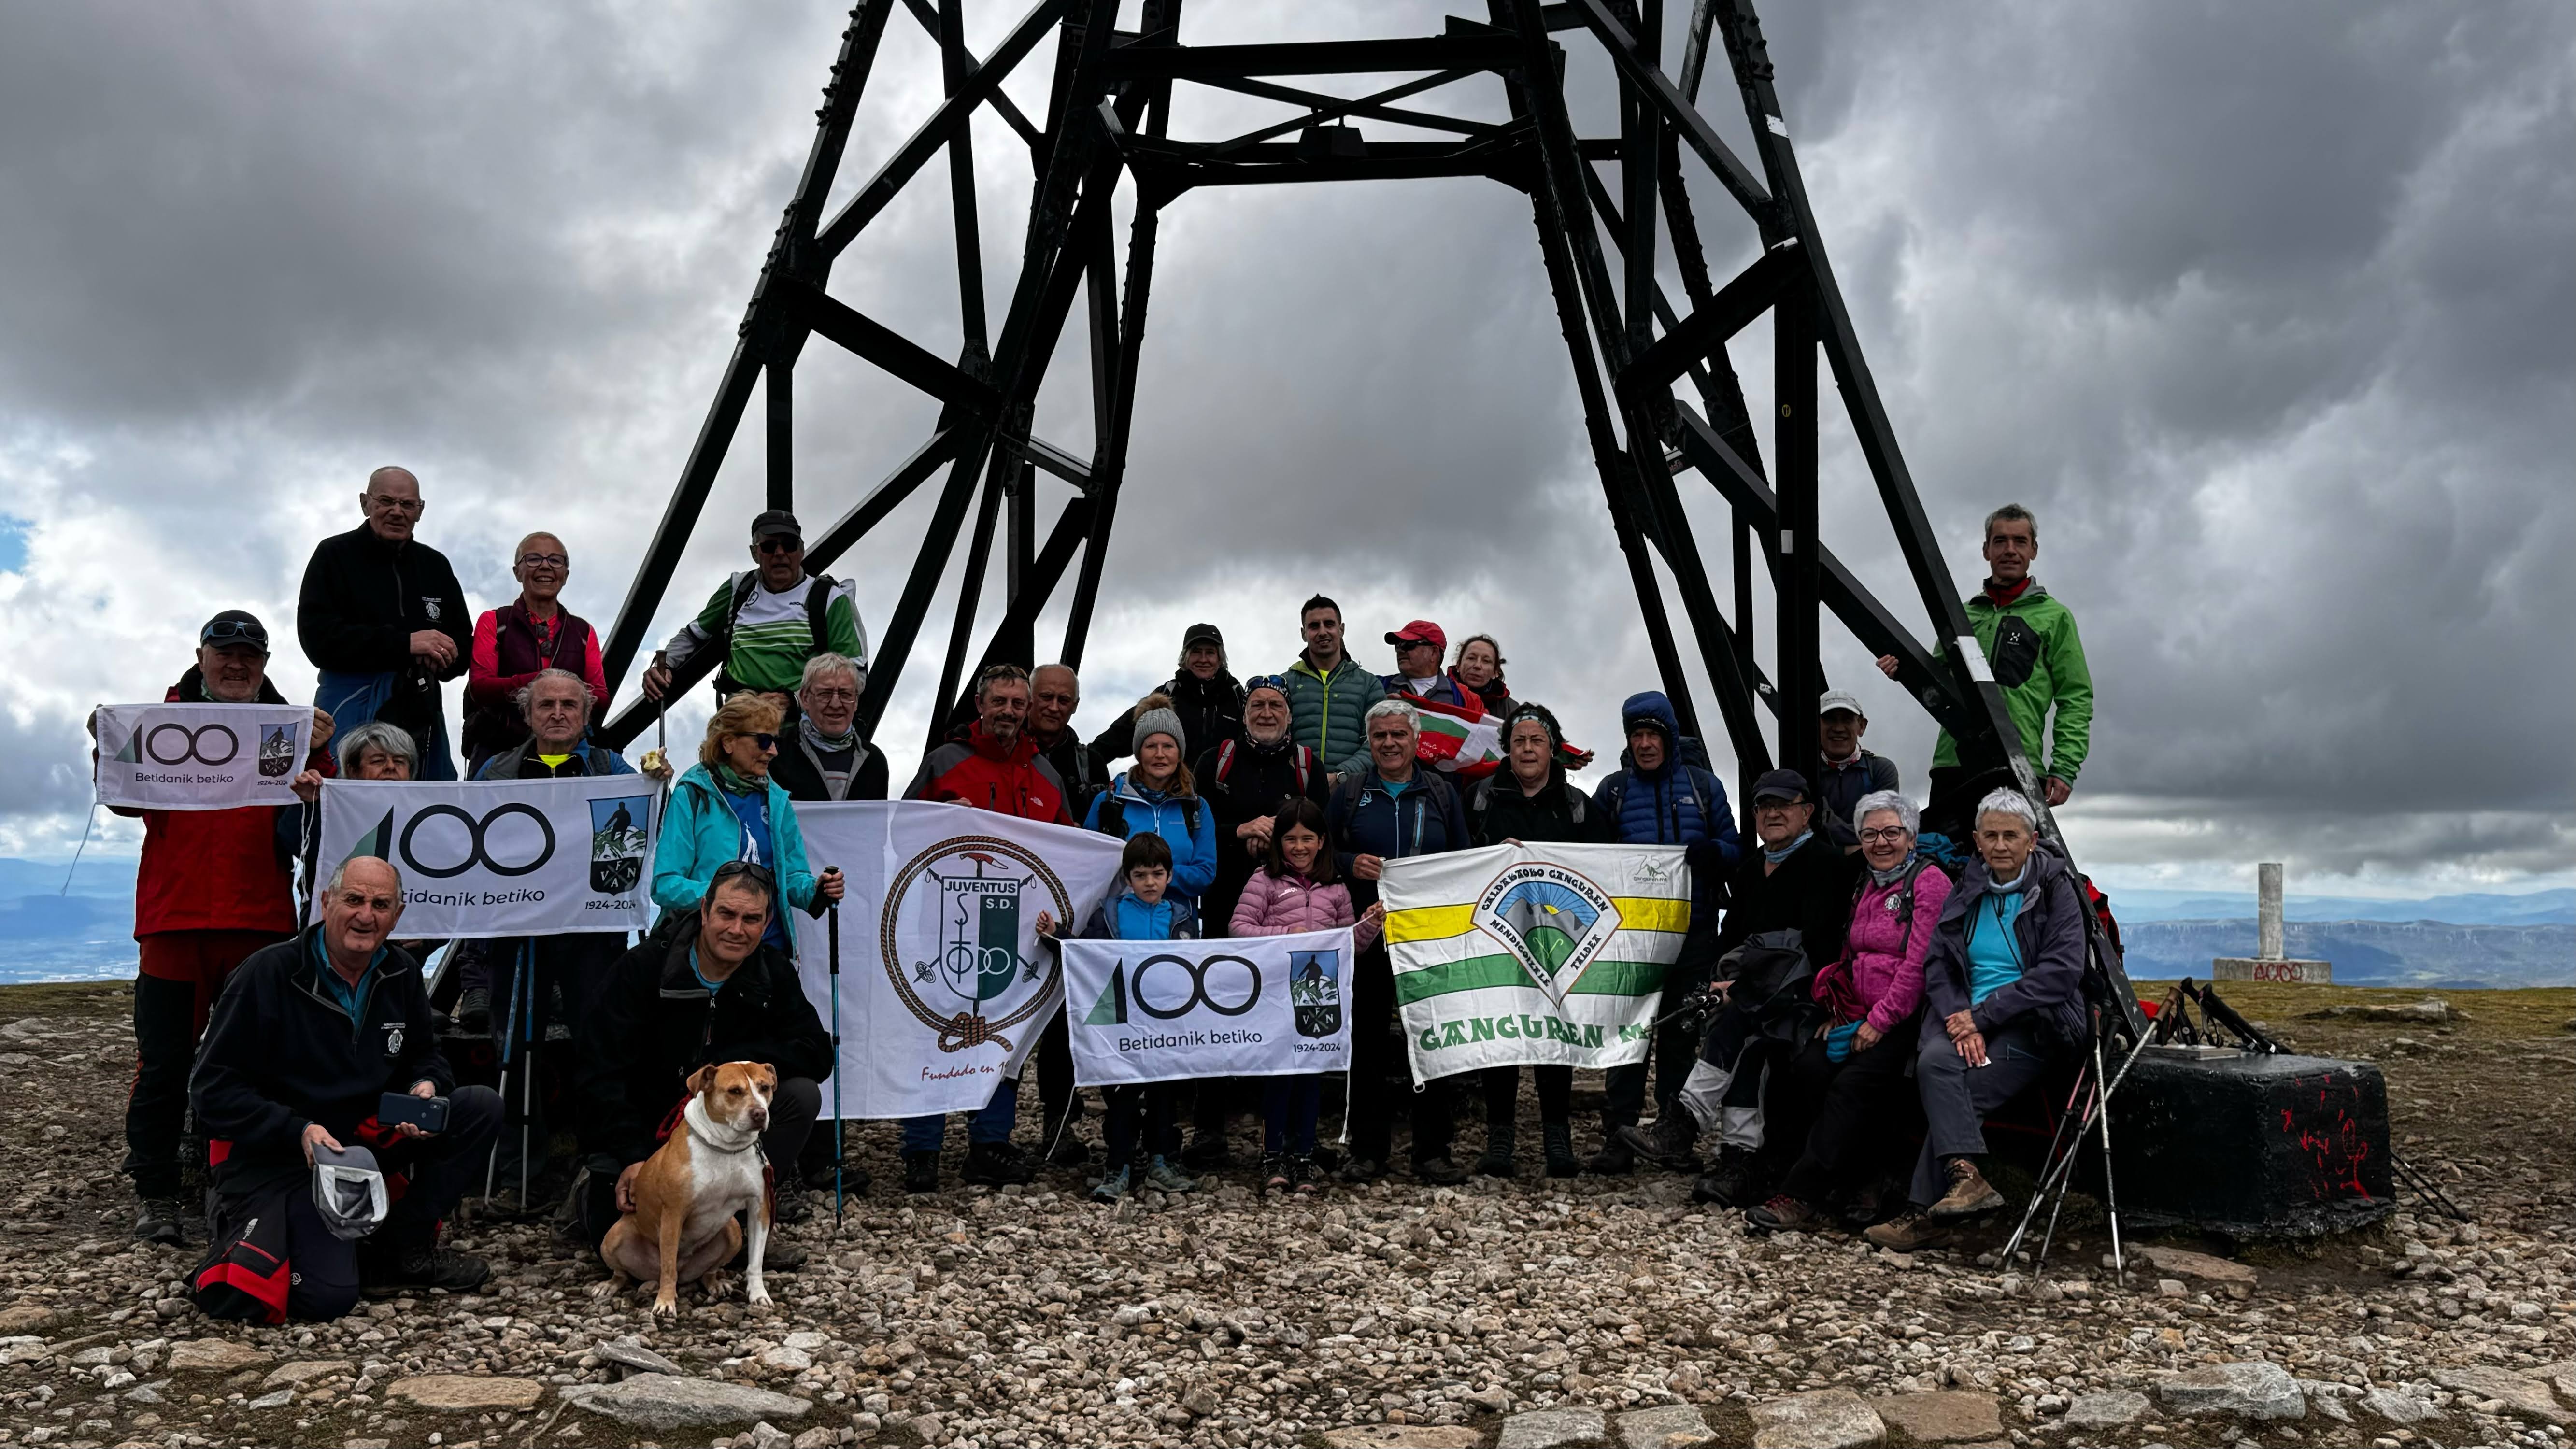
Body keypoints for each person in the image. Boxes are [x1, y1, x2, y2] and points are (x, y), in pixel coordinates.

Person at [103, 610, 334, 1246]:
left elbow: (328, 809)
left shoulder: (289, 727)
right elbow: (123, 797)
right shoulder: (162, 721)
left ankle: (232, 1177)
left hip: (257, 921)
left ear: (264, 663)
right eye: (225, 653)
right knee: (164, 1063)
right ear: (202, 655)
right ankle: (155, 1189)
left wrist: (321, 756)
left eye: (249, 656)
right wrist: (108, 746)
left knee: (252, 1064)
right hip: (173, 921)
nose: (237, 665)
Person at [191, 857, 500, 1312]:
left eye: (381, 905)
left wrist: (425, 1086)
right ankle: (238, 1217)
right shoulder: (268, 973)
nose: (366, 915)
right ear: (325, 902)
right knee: (325, 1297)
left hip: (362, 1141)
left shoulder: (401, 972)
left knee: (479, 1107)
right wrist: (296, 1130)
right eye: (354, 900)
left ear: (397, 915)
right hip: (281, 1154)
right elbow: (211, 1089)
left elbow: (425, 1056)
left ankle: (401, 1250)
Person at [1620, 768, 1862, 1204]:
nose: (1773, 814)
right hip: (1752, 993)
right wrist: (1721, 980)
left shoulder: (1824, 864)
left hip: (1803, 992)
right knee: (1738, 1033)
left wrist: (1744, 986)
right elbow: (1728, 937)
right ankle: (1735, 1159)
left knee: (1741, 1033)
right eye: (1764, 806)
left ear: (1806, 812)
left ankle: (1687, 1125)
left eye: (1783, 806)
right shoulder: (1751, 871)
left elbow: (1817, 946)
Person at [1865, 790, 2092, 1251]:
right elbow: (1939, 965)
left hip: (2035, 1022)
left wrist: (1981, 1018)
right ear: (1976, 841)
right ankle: (1965, 1180)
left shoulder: (2055, 887)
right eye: (1991, 835)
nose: (2001, 845)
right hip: (1965, 1016)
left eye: (2011, 835)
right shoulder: (1967, 887)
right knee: (1934, 1061)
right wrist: (1957, 1016)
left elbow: (2060, 973)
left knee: (1959, 1090)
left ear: (2032, 841)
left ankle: (1920, 1214)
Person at [447, 671, 640, 1203]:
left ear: (587, 714)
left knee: (598, 1045)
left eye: (569, 705)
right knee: (515, 1047)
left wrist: (656, 783)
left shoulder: (611, 768)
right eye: (547, 705)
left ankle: (598, 1164)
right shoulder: (498, 770)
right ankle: (518, 1174)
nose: (558, 714)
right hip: (519, 927)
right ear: (528, 715)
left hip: (589, 929)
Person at [579, 861, 835, 1253]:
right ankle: (584, 1189)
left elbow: (817, 1054)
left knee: (801, 1095)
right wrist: (631, 1156)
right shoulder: (643, 968)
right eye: (726, 914)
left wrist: (734, 1065)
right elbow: (598, 1071)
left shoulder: (773, 971)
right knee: (617, 1245)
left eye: (751, 919)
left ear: (766, 924)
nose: (736, 929)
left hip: (727, 1129)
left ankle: (744, 1215)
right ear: (703, 912)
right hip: (648, 1128)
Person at [898, 665, 1074, 1191]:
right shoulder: (944, 763)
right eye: (998, 702)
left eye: (1017, 705)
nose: (1008, 712)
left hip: (1014, 932)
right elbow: (899, 832)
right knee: (933, 1029)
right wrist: (939, 815)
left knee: (1006, 1033)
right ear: (980, 704)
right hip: (944, 926)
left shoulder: (1045, 772)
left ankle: (988, 1145)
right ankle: (922, 1150)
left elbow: (1069, 851)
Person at [1745, 791, 1952, 1231]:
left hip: (1908, 1018)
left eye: (1891, 832)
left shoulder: (1928, 882)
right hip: (1855, 1013)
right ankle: (1862, 1177)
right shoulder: (1865, 882)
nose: (1881, 842)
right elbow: (1850, 953)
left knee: (1853, 1084)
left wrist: (1879, 1022)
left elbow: (1918, 965)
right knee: (1809, 1067)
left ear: (1911, 837)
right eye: (1870, 834)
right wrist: (1837, 1011)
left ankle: (1799, 1195)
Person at [1585, 691, 1740, 1174]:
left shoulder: (1703, 787)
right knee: (1628, 1037)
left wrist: (1713, 853)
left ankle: (1671, 1135)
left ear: (1669, 737)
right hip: (1630, 940)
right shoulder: (1611, 791)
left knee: (1680, 1037)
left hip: (1692, 933)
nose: (1645, 744)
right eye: (1637, 735)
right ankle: (1618, 1135)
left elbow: (1735, 848)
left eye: (1653, 734)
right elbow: (1589, 857)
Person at [1327, 699, 1473, 1185]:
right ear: (1368, 742)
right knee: (1366, 1040)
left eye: (1398, 735)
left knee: (1430, 1039)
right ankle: (1368, 1152)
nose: (1388, 744)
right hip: (1367, 934)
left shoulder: (1440, 792)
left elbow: (1462, 860)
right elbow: (1322, 853)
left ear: (1414, 740)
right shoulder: (1350, 792)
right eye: (1379, 736)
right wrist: (1350, 864)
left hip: (1426, 938)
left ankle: (1432, 1151)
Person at [1875, 503, 2092, 820]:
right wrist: (1902, 670)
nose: (2009, 550)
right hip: (1953, 761)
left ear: (2033, 549)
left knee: (2008, 862)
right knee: (1943, 863)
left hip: (2017, 762)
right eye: (2000, 541)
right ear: (1985, 550)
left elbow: (2075, 697)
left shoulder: (2055, 617)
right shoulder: (1961, 614)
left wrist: (2065, 766)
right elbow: (1937, 678)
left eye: (2019, 541)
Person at [1462, 702, 1605, 1179]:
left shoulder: (1576, 804)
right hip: (1497, 935)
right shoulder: (1481, 798)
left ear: (1552, 750)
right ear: (1507, 747)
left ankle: (1555, 1136)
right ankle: (1499, 1137)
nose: (1527, 749)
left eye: (1536, 741)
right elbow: (1458, 860)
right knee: (1501, 1032)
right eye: (1519, 740)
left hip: (1556, 941)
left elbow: (1604, 866)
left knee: (1552, 1035)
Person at [1036, 833, 1204, 1204]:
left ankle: (1163, 1163)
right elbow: (1082, 953)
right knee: (1122, 1099)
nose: (1149, 883)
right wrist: (1054, 936)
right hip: (1118, 1025)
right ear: (1127, 878)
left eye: (1156, 874)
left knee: (1163, 1098)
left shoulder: (1182, 918)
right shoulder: (1108, 914)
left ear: (1170, 877)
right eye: (1140, 875)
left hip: (1164, 1027)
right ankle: (1118, 1166)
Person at [1231, 796, 1382, 1193]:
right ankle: (1272, 1156)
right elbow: (1238, 929)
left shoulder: (1336, 888)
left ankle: (1303, 1157)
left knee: (1311, 1079)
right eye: (1290, 839)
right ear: (1277, 842)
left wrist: (1369, 925)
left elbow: (1349, 944)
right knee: (1279, 1078)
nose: (1299, 847)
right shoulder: (1263, 881)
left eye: (1307, 839)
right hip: (1275, 998)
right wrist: (1286, 936)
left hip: (1317, 999)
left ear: (1321, 842)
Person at [297, 466, 470, 779]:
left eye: (407, 505)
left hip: (422, 706)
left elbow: (462, 644)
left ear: (420, 510)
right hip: (350, 705)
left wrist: (443, 657)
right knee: (344, 805)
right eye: (386, 501)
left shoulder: (436, 565)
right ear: (366, 503)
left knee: (428, 812)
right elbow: (317, 639)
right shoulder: (333, 555)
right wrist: (406, 644)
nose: (396, 512)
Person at [653, 693, 844, 962]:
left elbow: (791, 877)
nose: (773, 751)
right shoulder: (693, 794)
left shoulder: (778, 801)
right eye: (764, 741)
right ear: (729, 742)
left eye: (775, 741)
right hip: (704, 955)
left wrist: (817, 889)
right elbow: (664, 885)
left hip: (768, 952)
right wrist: (724, 899)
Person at [641, 510, 868, 711]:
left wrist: (796, 701)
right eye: (769, 547)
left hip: (799, 731)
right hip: (739, 729)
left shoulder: (828, 598)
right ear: (755, 554)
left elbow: (854, 675)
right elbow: (693, 635)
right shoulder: (738, 589)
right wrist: (663, 665)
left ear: (801, 551)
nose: (780, 553)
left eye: (789, 545)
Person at [462, 532, 609, 773]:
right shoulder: (494, 622)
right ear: (517, 572)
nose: (545, 567)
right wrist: (544, 684)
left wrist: (556, 689)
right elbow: (481, 688)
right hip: (498, 750)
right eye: (533, 559)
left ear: (566, 575)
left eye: (555, 560)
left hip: (566, 753)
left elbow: (601, 697)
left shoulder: (584, 632)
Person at [1089, 624, 1243, 770]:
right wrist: (1085, 760)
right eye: (1196, 652)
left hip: (1225, 793)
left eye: (1210, 653)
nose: (1203, 659)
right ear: (1186, 657)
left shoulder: (1238, 697)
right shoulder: (1166, 695)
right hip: (1175, 791)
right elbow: (1120, 735)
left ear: (1220, 658)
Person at [1281, 595, 1384, 781]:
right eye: (1314, 626)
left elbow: (1377, 741)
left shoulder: (1369, 685)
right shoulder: (1284, 684)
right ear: (1304, 634)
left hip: (1353, 791)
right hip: (1295, 793)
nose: (1322, 632)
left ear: (1341, 629)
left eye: (1329, 624)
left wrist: (1341, 776)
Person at [766, 653, 888, 804]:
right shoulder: (774, 755)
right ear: (805, 698)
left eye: (845, 694)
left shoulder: (874, 762)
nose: (836, 704)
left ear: (856, 702)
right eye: (825, 694)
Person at [1813, 690, 1898, 850]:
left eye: (1847, 719)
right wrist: (1849, 849)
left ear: (1861, 726)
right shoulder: (1805, 772)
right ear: (1816, 726)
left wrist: (1829, 825)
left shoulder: (1881, 770)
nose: (1838, 728)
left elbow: (1884, 831)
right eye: (1830, 719)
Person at [1027, 663, 1109, 818]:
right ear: (1029, 697)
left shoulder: (1092, 765)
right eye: (1047, 697)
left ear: (1075, 706)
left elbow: (1100, 829)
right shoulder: (1002, 750)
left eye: (1063, 700)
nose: (1054, 707)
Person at [1380, 620, 1468, 709]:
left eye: (1408, 645)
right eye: (1398, 645)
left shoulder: (1466, 698)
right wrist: (1376, 707)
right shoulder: (1375, 687)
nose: (1400, 651)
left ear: (1434, 652)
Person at [1449, 633, 1513, 716]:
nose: (1477, 666)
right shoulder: (1437, 693)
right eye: (1471, 658)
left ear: (1496, 672)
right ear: (1458, 665)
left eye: (1486, 661)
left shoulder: (1510, 710)